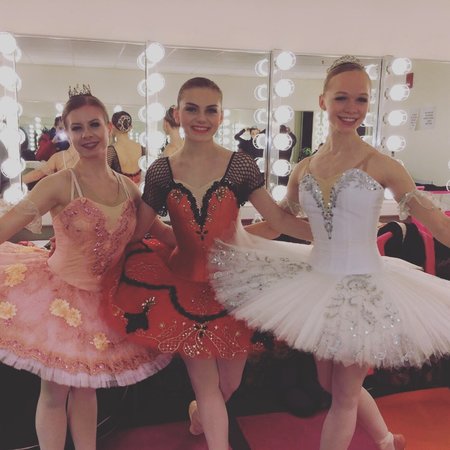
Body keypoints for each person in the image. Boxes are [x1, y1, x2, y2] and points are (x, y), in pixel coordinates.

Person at [209, 56, 450, 450]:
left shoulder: (383, 165)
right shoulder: (304, 168)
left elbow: (435, 221)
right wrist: (226, 240)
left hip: (365, 287)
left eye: (361, 99)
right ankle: (387, 440)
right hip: (317, 281)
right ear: (323, 101)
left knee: (343, 396)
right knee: (330, 384)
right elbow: (278, 221)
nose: (351, 108)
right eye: (341, 98)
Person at [103, 77, 313, 450]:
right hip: (183, 289)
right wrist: (94, 242)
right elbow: (139, 229)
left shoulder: (241, 166)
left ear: (221, 116)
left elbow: (278, 220)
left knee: (227, 385)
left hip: (233, 286)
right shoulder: (161, 171)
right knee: (207, 385)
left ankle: (199, 414)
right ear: (177, 113)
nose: (201, 118)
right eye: (192, 109)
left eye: (210, 110)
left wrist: (331, 237)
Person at [0, 88, 171, 450]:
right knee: (54, 393)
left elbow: (162, 233)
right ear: (67, 132)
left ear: (109, 127)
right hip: (58, 298)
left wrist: (214, 240)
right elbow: (9, 223)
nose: (87, 134)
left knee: (87, 389)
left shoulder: (128, 188)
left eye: (94, 125)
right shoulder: (59, 183)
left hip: (105, 300)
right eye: (77, 128)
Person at [107, 110, 145, 184]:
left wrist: (110, 139)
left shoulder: (111, 150)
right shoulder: (141, 147)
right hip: (138, 190)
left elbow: (103, 175)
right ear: (130, 127)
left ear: (113, 126)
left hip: (121, 190)